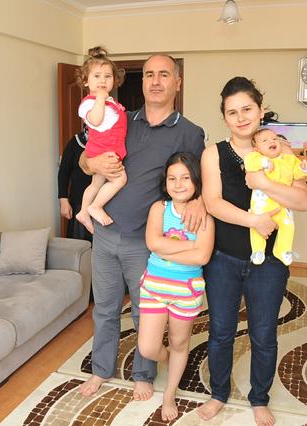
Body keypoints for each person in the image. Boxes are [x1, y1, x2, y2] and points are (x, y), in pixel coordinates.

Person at [77, 54, 206, 401]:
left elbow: (199, 179)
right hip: (105, 233)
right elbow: (85, 157)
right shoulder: (120, 117)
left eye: (164, 74)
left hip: (145, 241)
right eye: (149, 74)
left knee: (144, 312)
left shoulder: (190, 132)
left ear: (177, 82)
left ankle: (143, 374)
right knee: (104, 309)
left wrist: (198, 201)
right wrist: (93, 163)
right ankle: (101, 369)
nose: (155, 81)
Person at [197, 77, 307, 426]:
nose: (241, 117)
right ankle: (218, 394)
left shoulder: (281, 149)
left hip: (270, 262)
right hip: (223, 259)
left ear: (261, 110)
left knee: (264, 334)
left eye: (247, 109)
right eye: (232, 112)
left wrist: (262, 183)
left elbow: (302, 201)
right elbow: (212, 202)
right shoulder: (214, 153)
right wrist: (254, 221)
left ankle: (259, 398)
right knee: (221, 331)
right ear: (224, 117)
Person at [137, 152, 214, 421]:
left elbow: (202, 257)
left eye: (185, 178)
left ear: (196, 181)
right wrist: (190, 245)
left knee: (179, 342)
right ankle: (171, 361)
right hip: (155, 286)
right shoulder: (159, 209)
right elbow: (153, 243)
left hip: (186, 290)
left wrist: (167, 248)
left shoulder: (205, 216)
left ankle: (169, 394)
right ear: (165, 181)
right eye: (172, 178)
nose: (178, 184)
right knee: (148, 348)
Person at [74, 46, 127, 234]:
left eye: (107, 76)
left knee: (96, 184)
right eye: (96, 76)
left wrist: (105, 100)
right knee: (120, 179)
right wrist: (100, 99)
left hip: (107, 148)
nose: (103, 80)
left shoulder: (110, 102)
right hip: (103, 150)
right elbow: (95, 120)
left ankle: (83, 212)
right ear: (86, 81)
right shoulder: (89, 103)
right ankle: (96, 206)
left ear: (115, 80)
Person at [244, 128, 307, 265]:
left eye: (274, 139)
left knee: (288, 226)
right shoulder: (255, 157)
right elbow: (250, 163)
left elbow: (297, 172)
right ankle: (257, 250)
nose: (271, 141)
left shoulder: (288, 159)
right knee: (256, 228)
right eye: (265, 140)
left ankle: (283, 250)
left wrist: (304, 169)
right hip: (262, 203)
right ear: (257, 148)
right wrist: (264, 162)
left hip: (282, 205)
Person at [57, 127, 92, 242]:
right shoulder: (75, 142)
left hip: (105, 204)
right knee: (79, 243)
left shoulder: (111, 140)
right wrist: (63, 200)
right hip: (79, 204)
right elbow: (63, 172)